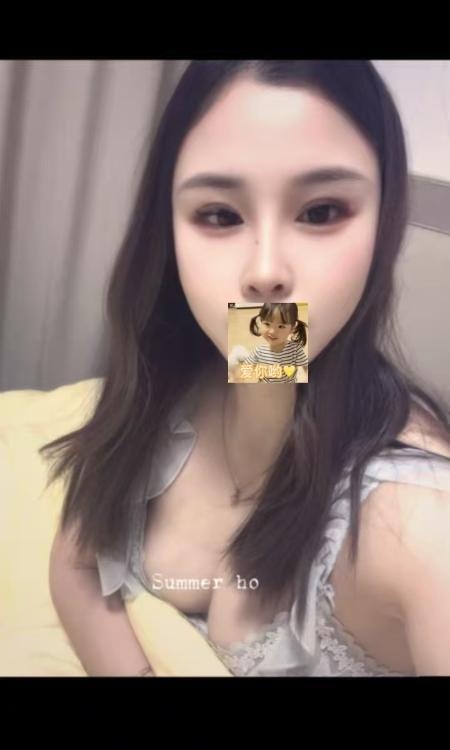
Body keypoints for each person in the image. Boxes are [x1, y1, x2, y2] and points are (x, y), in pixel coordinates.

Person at [44, 61, 450, 676]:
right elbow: (74, 562)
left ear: (385, 223)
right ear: (168, 229)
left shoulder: (418, 522)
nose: (265, 272)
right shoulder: (173, 380)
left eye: (321, 211)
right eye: (219, 215)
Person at [229, 301, 308, 383]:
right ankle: (240, 355)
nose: (272, 332)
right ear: (260, 322)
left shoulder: (295, 350)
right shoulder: (259, 351)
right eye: (267, 324)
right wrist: (235, 376)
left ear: (292, 328)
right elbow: (244, 371)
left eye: (281, 326)